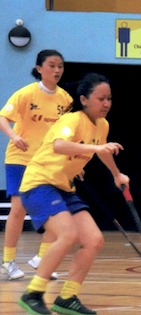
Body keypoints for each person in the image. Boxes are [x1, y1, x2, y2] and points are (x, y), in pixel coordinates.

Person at [17, 72, 129, 315]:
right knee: (67, 235)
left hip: (63, 187)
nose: (107, 103)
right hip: (39, 184)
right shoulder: (72, 119)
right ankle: (34, 292)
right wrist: (95, 148)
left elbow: (103, 151)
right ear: (84, 99)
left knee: (94, 240)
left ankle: (67, 297)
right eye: (101, 98)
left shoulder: (102, 125)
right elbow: (59, 145)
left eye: (109, 98)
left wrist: (116, 175)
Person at [0, 50, 72, 281]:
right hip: (20, 158)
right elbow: (3, 118)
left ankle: (42, 261)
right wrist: (13, 136)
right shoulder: (25, 94)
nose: (57, 70)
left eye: (60, 66)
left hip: (47, 162)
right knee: (19, 208)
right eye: (51, 65)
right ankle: (8, 262)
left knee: (55, 211)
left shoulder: (65, 100)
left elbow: (66, 134)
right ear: (39, 68)